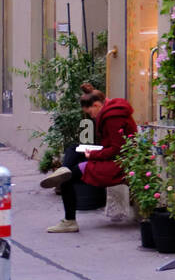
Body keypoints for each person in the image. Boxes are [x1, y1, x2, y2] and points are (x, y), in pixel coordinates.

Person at [39, 83, 137, 233]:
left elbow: (118, 149)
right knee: (73, 148)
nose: (91, 116)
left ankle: (69, 221)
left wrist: (93, 154)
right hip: (114, 157)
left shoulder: (112, 117)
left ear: (97, 105)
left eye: (90, 113)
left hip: (118, 163)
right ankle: (63, 170)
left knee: (67, 178)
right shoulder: (111, 110)